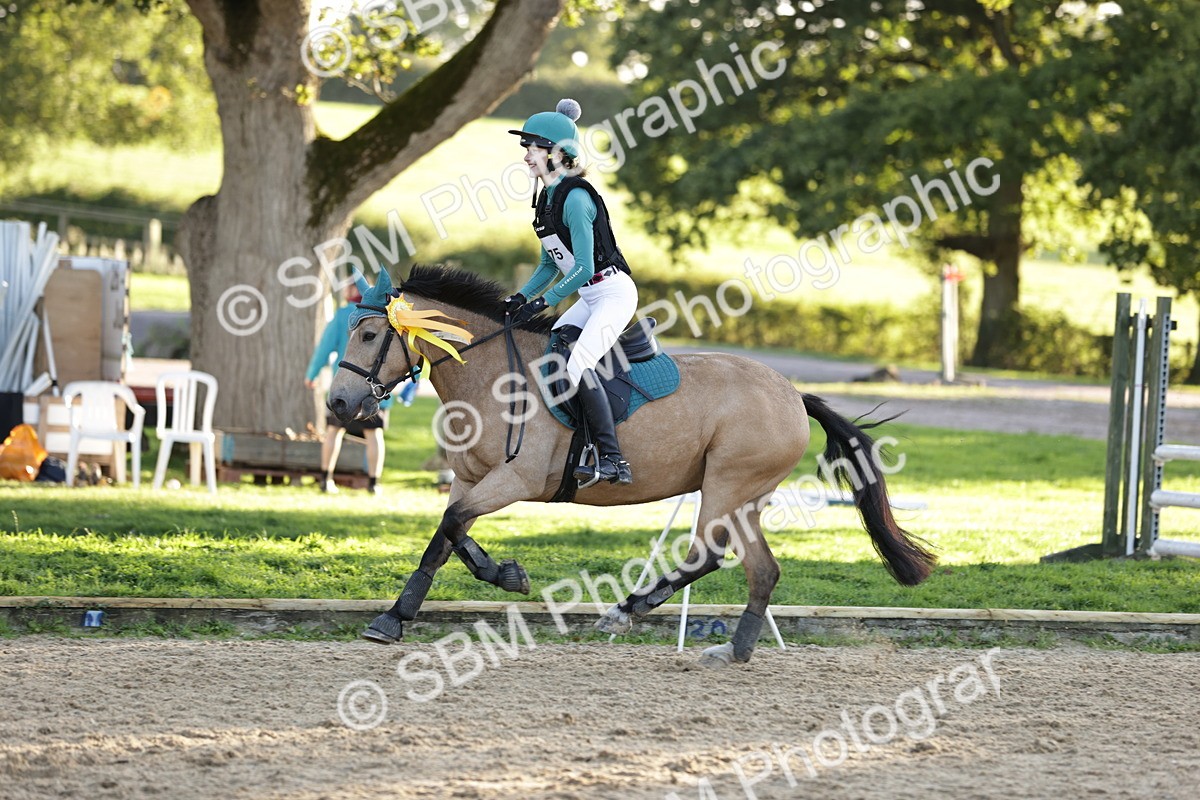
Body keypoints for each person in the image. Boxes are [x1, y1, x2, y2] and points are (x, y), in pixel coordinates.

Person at [505, 98, 636, 485]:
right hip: (590, 296)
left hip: (612, 292)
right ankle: (572, 444)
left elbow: (584, 268)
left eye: (532, 147)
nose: (526, 155)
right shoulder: (546, 198)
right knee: (551, 357)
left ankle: (614, 460)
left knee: (578, 365)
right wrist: (520, 297)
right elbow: (550, 263)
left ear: (556, 153)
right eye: (526, 147)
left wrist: (544, 302)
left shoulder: (576, 198)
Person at [306, 280, 418, 494]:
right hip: (375, 387)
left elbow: (324, 347)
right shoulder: (385, 318)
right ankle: (373, 483)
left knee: (333, 432)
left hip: (346, 387)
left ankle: (325, 478)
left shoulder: (343, 316)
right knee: (374, 435)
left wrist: (312, 374)